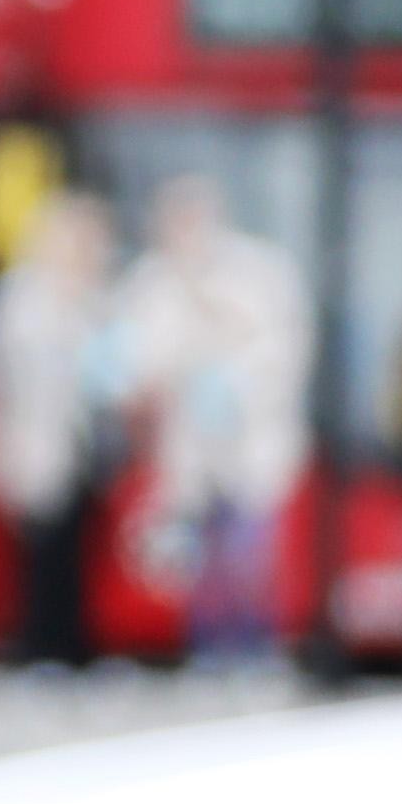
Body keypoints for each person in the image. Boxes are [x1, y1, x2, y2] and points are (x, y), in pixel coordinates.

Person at [116, 175, 310, 665]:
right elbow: (138, 361)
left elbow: (284, 350)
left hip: (250, 438)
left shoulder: (258, 270)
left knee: (247, 552)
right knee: (194, 555)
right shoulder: (153, 280)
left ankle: (253, 647)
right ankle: (206, 649)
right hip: (188, 445)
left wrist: (234, 381)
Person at [0, 188, 120, 668]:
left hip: (90, 442)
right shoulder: (20, 298)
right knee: (40, 550)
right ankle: (38, 648)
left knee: (80, 546)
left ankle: (74, 647)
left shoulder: (99, 296)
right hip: (37, 439)